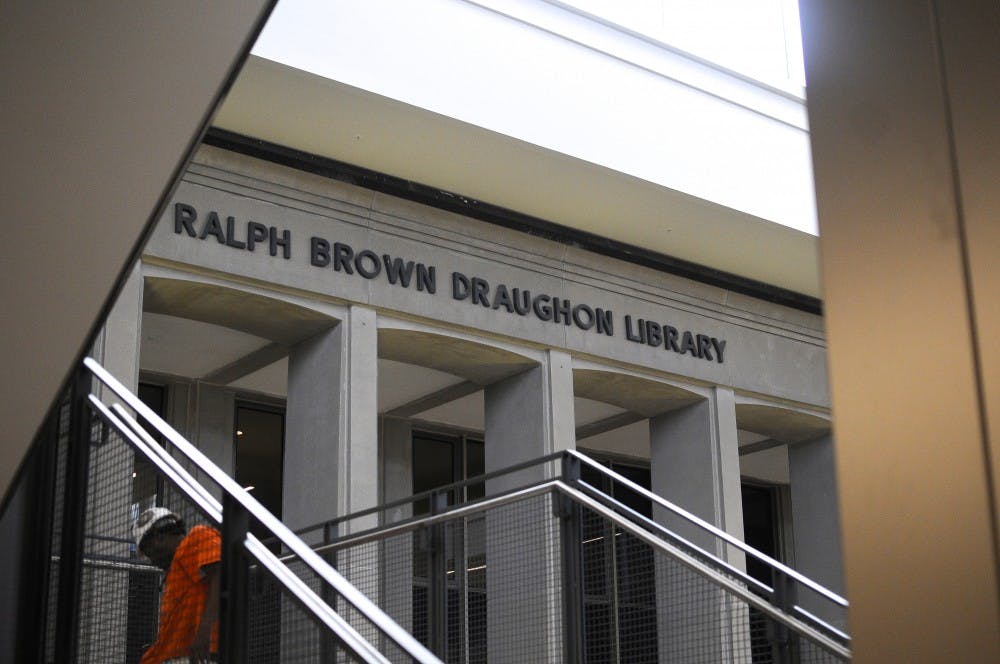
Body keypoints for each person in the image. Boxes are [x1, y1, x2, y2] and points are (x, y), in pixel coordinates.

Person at [133, 507, 222, 664]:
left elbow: (221, 573)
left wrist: (204, 631)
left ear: (158, 538)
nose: (152, 560)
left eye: (150, 552)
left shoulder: (197, 537)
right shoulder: (175, 572)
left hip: (199, 656)